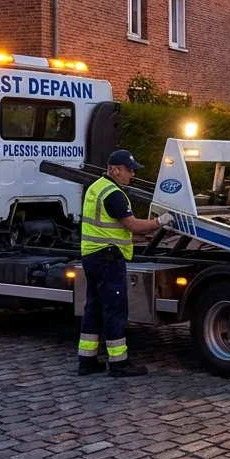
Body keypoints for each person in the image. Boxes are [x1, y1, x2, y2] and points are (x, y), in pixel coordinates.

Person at [77, 149, 169, 377]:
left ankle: (86, 362)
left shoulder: (95, 188)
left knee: (94, 309)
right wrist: (159, 221)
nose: (133, 175)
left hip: (92, 256)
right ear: (115, 169)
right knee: (115, 310)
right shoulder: (113, 193)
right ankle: (119, 364)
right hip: (108, 260)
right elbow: (134, 226)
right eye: (129, 170)